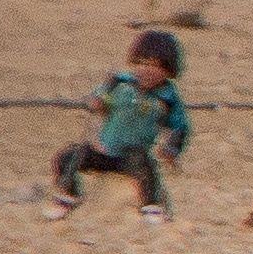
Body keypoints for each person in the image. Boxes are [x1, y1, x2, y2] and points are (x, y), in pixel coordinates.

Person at [55, 27, 193, 222]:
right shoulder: (119, 82)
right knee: (69, 156)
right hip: (104, 149)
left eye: (155, 66)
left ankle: (151, 205)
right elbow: (99, 97)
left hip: (131, 156)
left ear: (168, 70)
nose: (147, 71)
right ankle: (68, 194)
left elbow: (180, 126)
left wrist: (171, 148)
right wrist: (98, 102)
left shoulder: (167, 98)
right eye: (142, 63)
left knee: (144, 164)